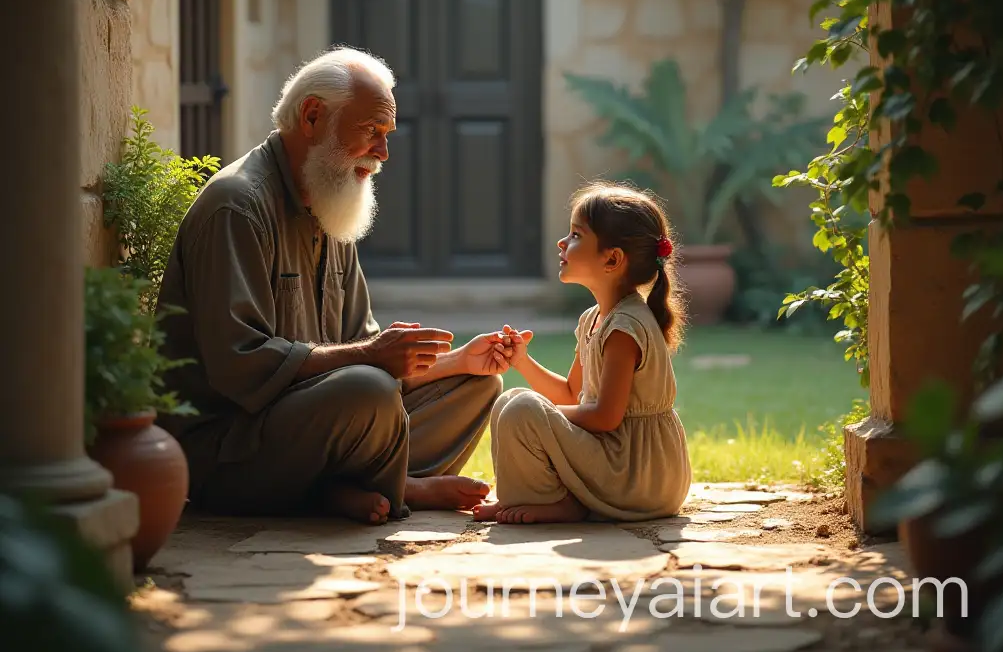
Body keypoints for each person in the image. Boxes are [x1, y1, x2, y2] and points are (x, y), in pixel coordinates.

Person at [156, 46, 511, 524]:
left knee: (478, 384)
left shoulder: (329, 197)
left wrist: (457, 361)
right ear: (312, 116)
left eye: (387, 135)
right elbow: (240, 366)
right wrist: (371, 356)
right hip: (229, 450)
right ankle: (396, 485)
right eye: (372, 132)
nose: (383, 153)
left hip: (312, 421)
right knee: (368, 390)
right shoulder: (237, 206)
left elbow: (362, 351)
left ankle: (341, 488)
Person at [472, 181, 692, 524]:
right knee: (511, 400)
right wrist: (522, 363)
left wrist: (543, 415)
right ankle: (531, 498)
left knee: (523, 408)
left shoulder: (624, 328)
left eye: (576, 235)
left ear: (612, 259)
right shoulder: (594, 319)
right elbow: (573, 394)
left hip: (639, 477)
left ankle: (564, 504)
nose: (562, 242)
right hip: (618, 462)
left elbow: (605, 417)